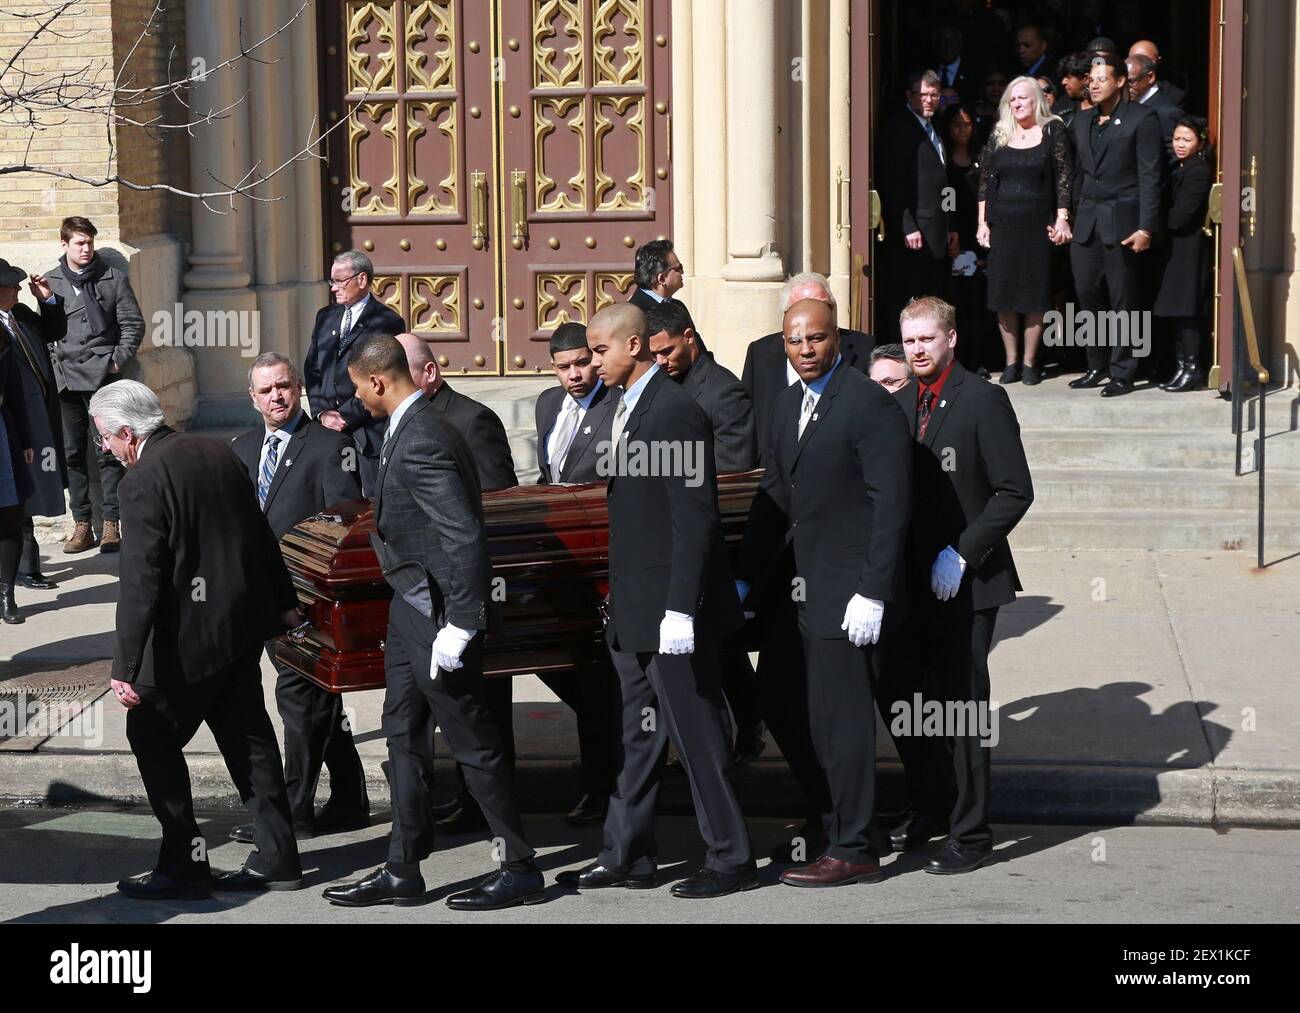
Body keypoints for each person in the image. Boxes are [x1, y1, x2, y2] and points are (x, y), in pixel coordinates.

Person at [323, 334, 543, 910]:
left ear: (377, 381)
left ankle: (519, 866)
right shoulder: (410, 424)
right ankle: (402, 867)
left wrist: (463, 622)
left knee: (472, 741)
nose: (355, 400)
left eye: (356, 388)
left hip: (439, 612)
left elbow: (464, 533)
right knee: (403, 735)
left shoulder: (422, 435)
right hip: (411, 606)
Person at [557, 303, 757, 899]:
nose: (591, 362)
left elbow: (695, 520)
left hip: (670, 613)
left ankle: (730, 856)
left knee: (695, 736)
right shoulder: (628, 406)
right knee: (638, 736)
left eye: (599, 350)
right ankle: (627, 854)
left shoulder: (674, 412)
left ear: (635, 346)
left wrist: (680, 608)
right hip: (635, 609)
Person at [95, 379, 304, 899]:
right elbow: (260, 533)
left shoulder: (141, 480)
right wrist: (282, 605)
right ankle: (278, 858)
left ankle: (184, 864)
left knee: (151, 737)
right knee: (250, 741)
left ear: (127, 432)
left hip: (183, 649)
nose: (104, 447)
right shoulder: (219, 451)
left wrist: (124, 665)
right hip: (236, 633)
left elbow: (141, 580)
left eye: (105, 437)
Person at [736, 298, 912, 888]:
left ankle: (855, 845)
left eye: (815, 339)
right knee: (782, 699)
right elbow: (774, 495)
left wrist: (873, 590)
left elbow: (893, 504)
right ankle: (832, 816)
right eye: (794, 341)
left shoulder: (868, 405)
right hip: (799, 589)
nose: (805, 350)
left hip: (850, 591)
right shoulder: (787, 405)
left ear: (836, 339)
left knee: (842, 720)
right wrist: (743, 576)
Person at [884, 297, 1034, 872]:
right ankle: (932, 806)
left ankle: (970, 834)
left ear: (950, 339)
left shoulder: (982, 399)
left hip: (967, 583)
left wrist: (964, 551)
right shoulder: (897, 404)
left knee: (961, 709)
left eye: (927, 339)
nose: (918, 349)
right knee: (911, 701)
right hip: (911, 582)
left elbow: (1014, 490)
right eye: (910, 340)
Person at [227, 353, 369, 846]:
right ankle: (351, 798)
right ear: (252, 398)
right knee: (319, 700)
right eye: (266, 391)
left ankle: (292, 811)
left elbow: (343, 525)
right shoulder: (242, 448)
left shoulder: (330, 446)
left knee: (298, 701)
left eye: (284, 386)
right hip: (260, 599)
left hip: (308, 601)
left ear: (299, 389)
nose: (277, 397)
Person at [390, 331, 523, 834]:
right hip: (420, 594)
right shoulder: (407, 421)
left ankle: (498, 830)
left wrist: (469, 609)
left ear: (429, 373)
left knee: (480, 711)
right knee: (418, 717)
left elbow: (491, 510)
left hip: (464, 594)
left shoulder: (469, 420)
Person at [645, 298, 764, 767]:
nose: (660, 362)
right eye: (652, 354)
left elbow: (733, 480)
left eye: (668, 351)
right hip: (671, 541)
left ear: (690, 338)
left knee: (719, 648)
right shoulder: (662, 388)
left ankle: (744, 724)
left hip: (714, 542)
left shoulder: (722, 393)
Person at [531, 321, 619, 822]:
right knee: (569, 668)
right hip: (561, 559)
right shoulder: (547, 404)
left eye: (582, 363)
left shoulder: (616, 406)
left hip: (603, 557)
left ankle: (607, 783)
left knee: (601, 676)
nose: (574, 375)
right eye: (564, 367)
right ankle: (599, 769)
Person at [45, 216, 144, 555]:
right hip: (67, 378)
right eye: (79, 243)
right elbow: (46, 330)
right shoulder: (51, 282)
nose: (86, 249)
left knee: (108, 450)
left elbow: (132, 323)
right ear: (64, 245)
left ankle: (111, 523)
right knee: (73, 452)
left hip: (104, 373)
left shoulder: (112, 276)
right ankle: (83, 523)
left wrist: (116, 360)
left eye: (89, 242)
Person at [1068, 53, 1163, 398]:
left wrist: (1147, 227)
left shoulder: (1142, 118)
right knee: (1088, 294)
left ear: (1121, 81)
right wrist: (1067, 214)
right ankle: (1097, 363)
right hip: (1087, 222)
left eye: (1101, 79)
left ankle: (1123, 370)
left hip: (1123, 221)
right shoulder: (1081, 122)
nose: (1092, 84)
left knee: (1123, 300)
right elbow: (1076, 175)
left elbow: (1150, 176)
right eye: (1090, 79)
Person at [977, 76, 1074, 386]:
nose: (1017, 103)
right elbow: (986, 184)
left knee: (1035, 294)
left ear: (1037, 101)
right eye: (1012, 99)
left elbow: (1063, 176)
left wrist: (1062, 217)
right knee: (1003, 295)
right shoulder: (1000, 134)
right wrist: (982, 223)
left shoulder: (1053, 129)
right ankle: (1011, 361)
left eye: (1023, 98)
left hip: (1037, 226)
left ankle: (1030, 362)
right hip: (1003, 226)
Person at [303, 251, 406, 496]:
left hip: (368, 431)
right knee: (335, 499)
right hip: (327, 430)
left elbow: (381, 378)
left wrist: (345, 416)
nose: (334, 288)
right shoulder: (325, 317)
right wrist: (321, 413)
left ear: (361, 280)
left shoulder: (387, 321)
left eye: (340, 281)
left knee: (372, 502)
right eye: (332, 281)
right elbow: (313, 368)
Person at [742, 273, 873, 453]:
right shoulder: (760, 353)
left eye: (824, 306)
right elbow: (749, 422)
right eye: (803, 307)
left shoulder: (864, 348)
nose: (813, 314)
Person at [0, 262, 66, 599]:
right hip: (12, 422)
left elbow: (54, 331)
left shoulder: (22, 315)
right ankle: (24, 569)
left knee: (33, 492)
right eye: (10, 286)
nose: (17, 290)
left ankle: (27, 567)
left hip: (38, 417)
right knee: (17, 498)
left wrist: (48, 299)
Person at [877, 69, 959, 342]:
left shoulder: (936, 127)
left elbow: (947, 183)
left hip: (937, 231)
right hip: (914, 236)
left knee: (933, 298)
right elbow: (894, 183)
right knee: (910, 300)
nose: (929, 99)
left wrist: (952, 225)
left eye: (934, 94)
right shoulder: (900, 128)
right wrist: (907, 226)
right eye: (923, 94)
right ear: (909, 95)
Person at [1154, 118, 1214, 393]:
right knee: (1177, 311)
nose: (1180, 144)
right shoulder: (1177, 168)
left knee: (1187, 310)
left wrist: (1157, 220)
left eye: (1186, 139)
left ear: (1199, 142)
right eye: (1177, 139)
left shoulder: (1198, 171)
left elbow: (1181, 216)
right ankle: (1182, 366)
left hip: (1189, 247)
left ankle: (1193, 368)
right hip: (1177, 249)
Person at [0, 263, 38, 625]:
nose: (16, 291)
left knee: (11, 515)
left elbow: (13, 392)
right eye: (9, 287)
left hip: (3, 434)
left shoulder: (4, 337)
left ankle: (7, 594)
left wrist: (25, 438)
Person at [941, 103, 990, 372]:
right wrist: (952, 230)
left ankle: (979, 359)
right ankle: (959, 360)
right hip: (956, 242)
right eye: (957, 125)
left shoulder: (981, 157)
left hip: (978, 238)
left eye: (967, 124)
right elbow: (946, 201)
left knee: (977, 303)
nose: (962, 130)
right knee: (957, 301)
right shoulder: (945, 161)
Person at [1127, 53, 1185, 160]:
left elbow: (1173, 158)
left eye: (1131, 81)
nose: (1125, 87)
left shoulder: (1167, 112)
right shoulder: (1127, 106)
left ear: (1150, 77)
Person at [1128, 39, 1187, 110]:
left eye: (1146, 60)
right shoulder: (1119, 93)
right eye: (1135, 60)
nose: (1141, 66)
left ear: (1158, 61)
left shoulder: (1174, 97)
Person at [629, 239, 684, 313]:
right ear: (662, 279)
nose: (682, 272)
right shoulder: (635, 313)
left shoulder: (678, 306)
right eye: (679, 268)